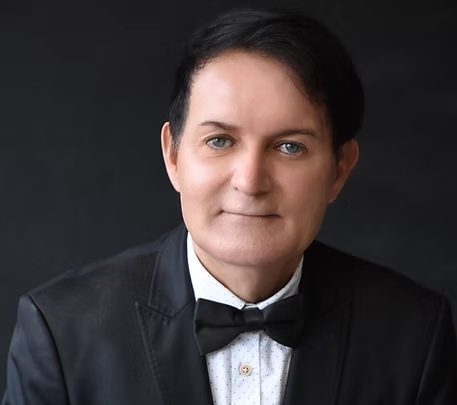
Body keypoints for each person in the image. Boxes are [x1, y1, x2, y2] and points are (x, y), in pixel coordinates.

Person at [2, 8, 456, 405]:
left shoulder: (414, 335)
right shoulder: (61, 330)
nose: (250, 181)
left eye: (290, 147)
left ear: (339, 169)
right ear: (173, 155)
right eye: (219, 141)